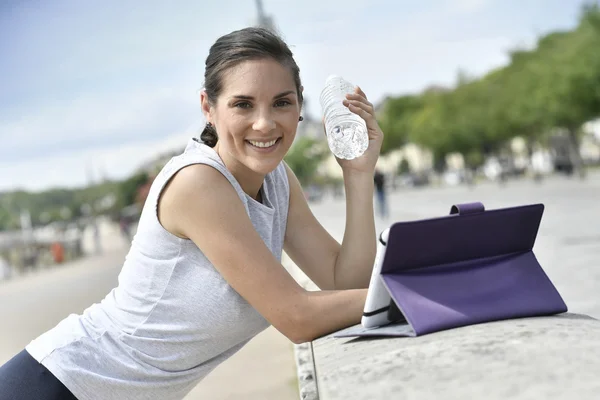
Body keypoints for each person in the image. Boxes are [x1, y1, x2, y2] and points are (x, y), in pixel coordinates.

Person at [0, 27, 384, 400]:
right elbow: (297, 316)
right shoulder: (198, 183)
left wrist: (358, 172)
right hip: (60, 384)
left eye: (282, 102)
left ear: (300, 106)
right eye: (243, 104)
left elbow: (343, 285)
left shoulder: (279, 180)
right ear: (208, 108)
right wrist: (406, 291)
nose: (265, 123)